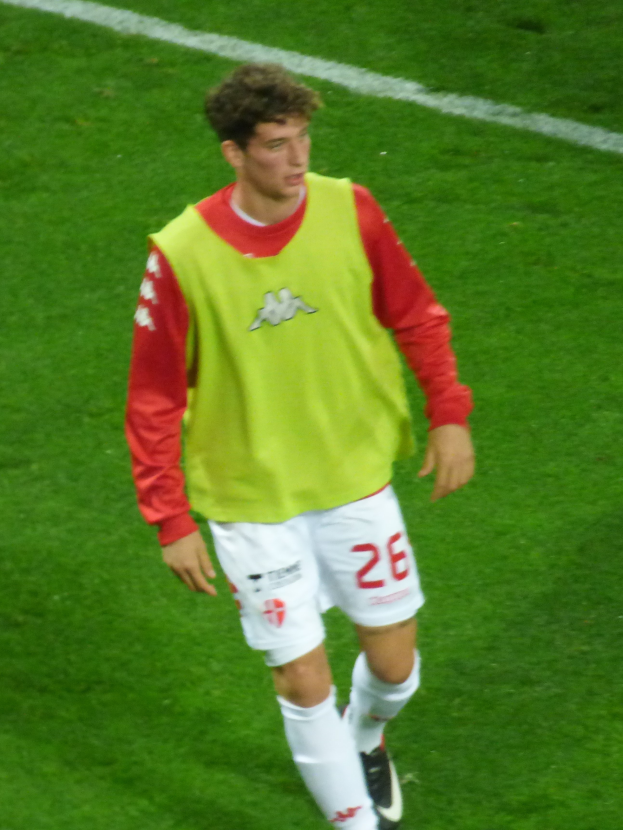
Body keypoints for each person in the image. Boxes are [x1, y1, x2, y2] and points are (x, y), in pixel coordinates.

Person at [126, 63, 475, 830]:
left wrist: (447, 411)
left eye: (303, 138)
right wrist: (171, 518)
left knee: (393, 671)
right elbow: (152, 397)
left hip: (352, 478)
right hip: (250, 501)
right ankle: (354, 822)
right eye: (277, 145)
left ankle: (366, 737)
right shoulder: (181, 253)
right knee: (299, 676)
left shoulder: (351, 210)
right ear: (232, 153)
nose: (296, 160)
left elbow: (416, 314)